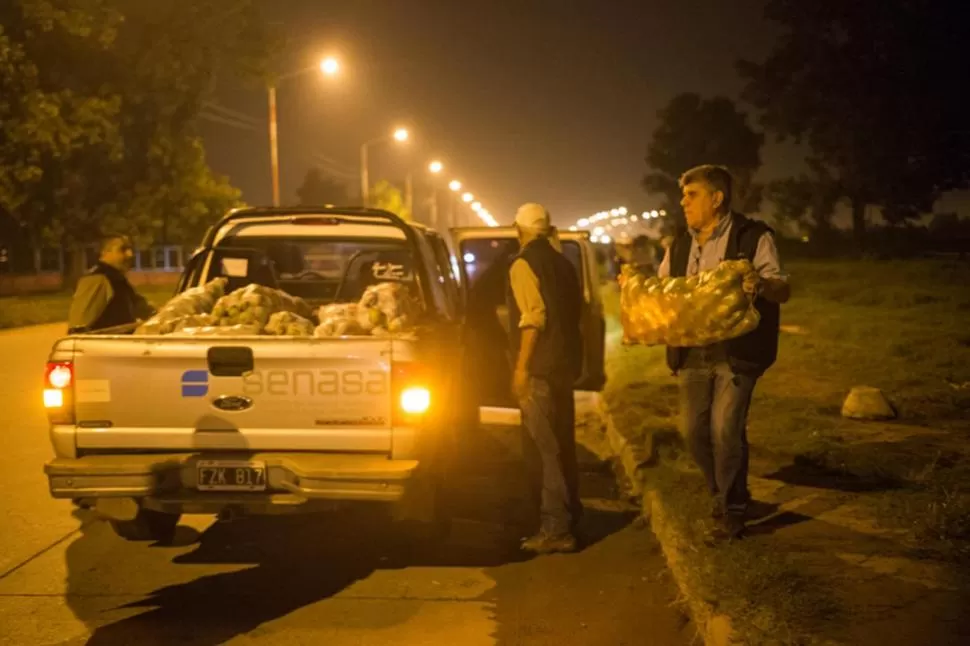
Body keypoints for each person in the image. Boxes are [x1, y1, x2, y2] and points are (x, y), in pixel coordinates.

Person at [657, 165, 791, 541]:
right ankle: (723, 493)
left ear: (716, 198)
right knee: (692, 431)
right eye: (683, 195)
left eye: (692, 194)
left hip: (737, 352)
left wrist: (760, 283)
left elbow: (782, 288)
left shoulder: (753, 237)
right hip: (693, 352)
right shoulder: (679, 245)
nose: (683, 202)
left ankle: (732, 511)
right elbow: (664, 292)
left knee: (725, 429)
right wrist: (638, 290)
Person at [507, 203, 584, 554]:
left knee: (545, 449)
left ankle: (556, 528)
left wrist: (521, 368)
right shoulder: (565, 263)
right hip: (564, 365)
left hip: (539, 368)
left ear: (518, 229)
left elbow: (533, 317)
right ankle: (571, 516)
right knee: (562, 443)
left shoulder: (523, 264)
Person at [68, 234, 156, 334]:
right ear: (105, 252)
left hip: (119, 346)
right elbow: (78, 327)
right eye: (123, 249)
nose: (130, 254)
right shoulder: (97, 279)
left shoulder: (116, 279)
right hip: (104, 348)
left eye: (130, 249)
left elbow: (142, 309)